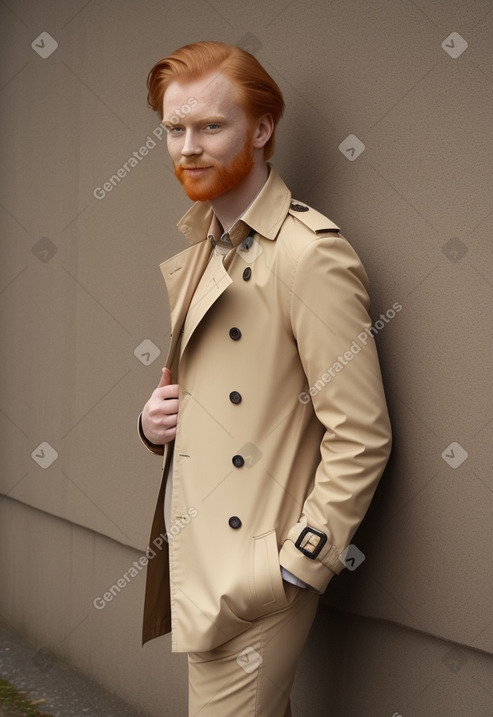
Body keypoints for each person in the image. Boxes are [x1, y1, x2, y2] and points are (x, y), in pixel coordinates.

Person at [138, 40, 392, 716]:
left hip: (253, 575)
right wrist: (153, 419)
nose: (188, 146)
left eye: (210, 127)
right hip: (205, 558)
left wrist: (297, 563)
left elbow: (362, 433)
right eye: (174, 128)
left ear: (261, 128)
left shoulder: (309, 256)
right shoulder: (207, 247)